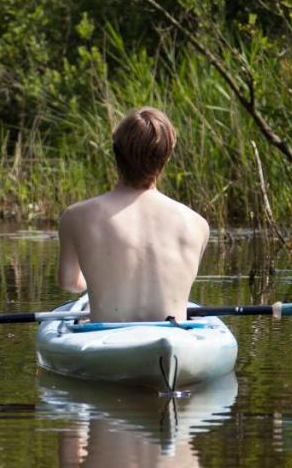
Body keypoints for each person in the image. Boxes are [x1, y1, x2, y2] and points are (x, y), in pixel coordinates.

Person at [57, 107, 209, 323]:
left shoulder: (75, 216)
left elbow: (69, 282)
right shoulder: (197, 224)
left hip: (105, 337)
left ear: (116, 153)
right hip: (173, 336)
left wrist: (93, 280)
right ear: (166, 156)